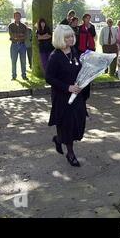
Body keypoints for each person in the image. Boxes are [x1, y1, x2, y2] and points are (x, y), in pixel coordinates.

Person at [46, 25, 88, 167]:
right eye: (67, 37)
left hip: (78, 96)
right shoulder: (55, 56)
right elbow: (49, 78)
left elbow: (79, 70)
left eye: (71, 36)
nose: (71, 38)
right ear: (60, 39)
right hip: (62, 98)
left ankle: (58, 139)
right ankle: (70, 154)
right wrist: (67, 87)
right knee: (68, 126)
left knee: (79, 123)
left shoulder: (74, 51)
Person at [8, 11, 28, 80]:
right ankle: (14, 76)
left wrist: (17, 36)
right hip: (14, 45)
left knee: (23, 61)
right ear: (14, 17)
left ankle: (24, 75)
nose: (17, 17)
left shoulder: (24, 26)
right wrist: (20, 35)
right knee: (13, 61)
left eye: (18, 16)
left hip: (22, 45)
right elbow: (12, 35)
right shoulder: (10, 26)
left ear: (20, 17)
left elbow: (25, 36)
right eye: (16, 16)